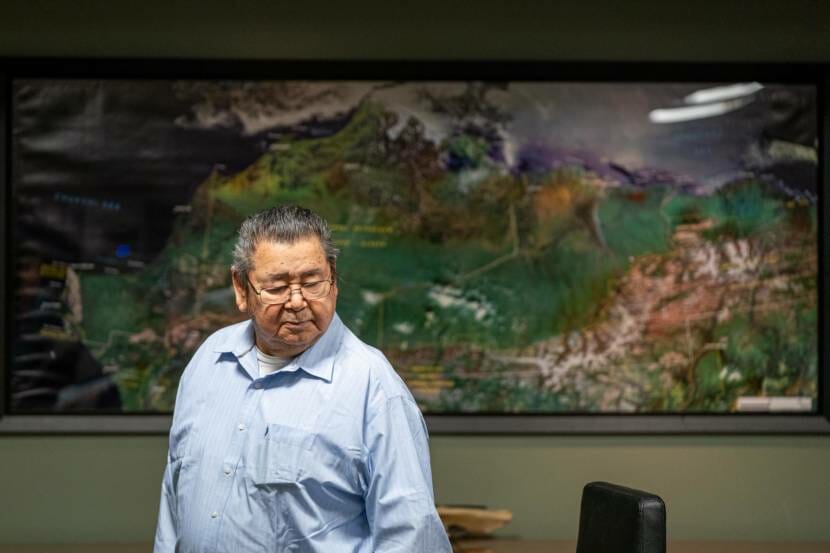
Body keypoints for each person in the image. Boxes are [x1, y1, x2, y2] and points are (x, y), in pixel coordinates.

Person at [154, 205, 452, 553]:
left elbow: (411, 538)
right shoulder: (209, 360)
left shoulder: (373, 387)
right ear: (241, 288)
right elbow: (174, 494)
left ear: (334, 279)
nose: (297, 302)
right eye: (277, 287)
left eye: (312, 283)